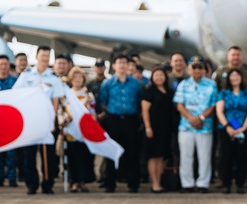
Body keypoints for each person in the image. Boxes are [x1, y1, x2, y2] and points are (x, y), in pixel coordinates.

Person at [13, 46, 66, 195]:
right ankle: (32, 184)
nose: (45, 58)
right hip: (30, 120)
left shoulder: (53, 78)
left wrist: (52, 119)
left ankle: (47, 184)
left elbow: (55, 100)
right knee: (29, 155)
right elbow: (17, 94)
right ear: (36, 57)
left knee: (48, 155)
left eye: (47, 56)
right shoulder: (26, 75)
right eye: (42, 55)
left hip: (47, 120)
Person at [97, 53, 144, 193]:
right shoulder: (108, 83)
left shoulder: (135, 83)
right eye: (119, 63)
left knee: (132, 152)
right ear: (114, 66)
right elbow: (103, 101)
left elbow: (139, 100)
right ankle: (110, 183)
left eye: (125, 63)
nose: (122, 65)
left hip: (130, 120)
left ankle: (133, 183)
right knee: (112, 151)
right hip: (113, 120)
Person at [174, 56, 218, 193]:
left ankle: (203, 183)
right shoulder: (183, 84)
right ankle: (187, 184)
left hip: (205, 126)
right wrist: (192, 119)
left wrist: (201, 118)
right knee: (186, 156)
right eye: (194, 67)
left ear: (204, 69)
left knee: (204, 156)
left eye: (200, 67)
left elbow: (213, 105)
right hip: (186, 126)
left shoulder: (211, 85)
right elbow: (179, 105)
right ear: (189, 69)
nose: (197, 70)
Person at [215, 68, 247, 194]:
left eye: (237, 76)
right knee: (226, 156)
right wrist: (227, 126)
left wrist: (243, 127)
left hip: (243, 128)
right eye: (232, 76)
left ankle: (240, 183)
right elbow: (219, 111)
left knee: (242, 156)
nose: (235, 78)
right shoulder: (223, 93)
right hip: (227, 129)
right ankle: (226, 184)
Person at [141, 64, 175, 193]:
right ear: (152, 77)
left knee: (161, 156)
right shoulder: (149, 91)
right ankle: (154, 183)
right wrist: (148, 127)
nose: (159, 77)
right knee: (153, 156)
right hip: (153, 128)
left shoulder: (169, 91)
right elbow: (145, 111)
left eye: (161, 75)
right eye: (156, 75)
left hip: (166, 129)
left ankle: (159, 182)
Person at [62, 66, 97, 192]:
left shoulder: (89, 96)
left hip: (85, 131)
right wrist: (62, 121)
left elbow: (93, 113)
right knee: (72, 157)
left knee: (84, 156)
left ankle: (82, 180)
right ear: (71, 79)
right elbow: (61, 111)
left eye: (80, 77)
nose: (77, 80)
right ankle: (74, 181)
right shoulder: (66, 95)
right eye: (75, 77)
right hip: (71, 130)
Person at [0, 54, 19, 187]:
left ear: (9, 66)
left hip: (10, 122)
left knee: (11, 153)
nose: (3, 67)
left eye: (6, 64)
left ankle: (12, 177)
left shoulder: (16, 81)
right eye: (1, 64)